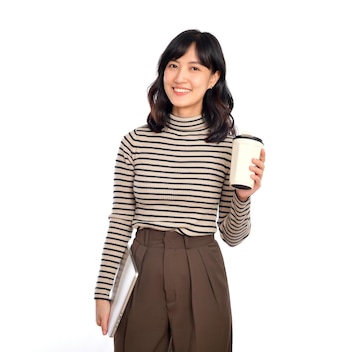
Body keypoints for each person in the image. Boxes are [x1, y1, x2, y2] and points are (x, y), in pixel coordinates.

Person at [94, 29, 265, 352]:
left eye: (194, 68)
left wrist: (243, 197)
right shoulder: (135, 142)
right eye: (173, 65)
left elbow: (233, 236)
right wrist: (104, 291)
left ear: (214, 78)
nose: (180, 77)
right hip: (143, 265)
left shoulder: (230, 145)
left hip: (202, 266)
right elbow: (119, 221)